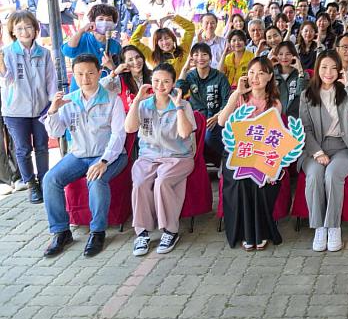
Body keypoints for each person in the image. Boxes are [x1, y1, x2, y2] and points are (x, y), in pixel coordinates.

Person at [41, 54, 129, 257]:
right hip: (79, 155)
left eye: (90, 73)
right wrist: (53, 111)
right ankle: (61, 231)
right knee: (50, 179)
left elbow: (118, 135)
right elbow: (55, 133)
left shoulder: (111, 100)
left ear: (100, 73)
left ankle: (97, 231)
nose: (85, 78)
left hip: (110, 155)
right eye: (79, 74)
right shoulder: (68, 101)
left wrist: (104, 162)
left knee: (96, 180)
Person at [298, 50, 348, 252]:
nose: (329, 72)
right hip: (314, 149)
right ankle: (319, 227)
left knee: (333, 174)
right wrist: (317, 153)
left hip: (343, 148)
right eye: (324, 67)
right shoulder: (307, 95)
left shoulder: (345, 92)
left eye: (334, 68)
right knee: (314, 175)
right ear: (317, 68)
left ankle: (333, 226)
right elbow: (305, 128)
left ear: (340, 70)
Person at [126, 63, 197, 256]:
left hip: (178, 157)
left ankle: (170, 230)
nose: (160, 85)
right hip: (148, 157)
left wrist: (179, 107)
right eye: (156, 81)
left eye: (166, 81)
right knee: (140, 183)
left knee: (162, 182)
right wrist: (137, 100)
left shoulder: (183, 104)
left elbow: (184, 132)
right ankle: (141, 232)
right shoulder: (144, 105)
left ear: (173, 83)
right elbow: (130, 128)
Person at [217, 56, 284, 250]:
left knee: (258, 182)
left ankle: (260, 232)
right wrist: (237, 93)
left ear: (270, 76)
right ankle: (246, 233)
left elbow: (274, 137)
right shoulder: (239, 98)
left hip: (261, 154)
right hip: (236, 153)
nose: (255, 77)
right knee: (241, 181)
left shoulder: (274, 104)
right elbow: (222, 121)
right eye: (252, 72)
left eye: (261, 73)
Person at [0, 11, 58, 203]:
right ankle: (31, 185)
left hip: (41, 109)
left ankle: (44, 181)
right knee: (23, 149)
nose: (24, 31)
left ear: (35, 29)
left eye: (28, 26)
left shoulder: (44, 53)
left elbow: (51, 80)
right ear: (13, 32)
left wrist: (52, 102)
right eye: (19, 28)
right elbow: (7, 80)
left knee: (42, 146)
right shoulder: (7, 53)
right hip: (15, 111)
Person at [176, 43, 231, 168]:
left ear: (210, 57)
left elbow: (227, 100)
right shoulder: (190, 76)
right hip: (196, 118)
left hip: (216, 118)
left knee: (209, 137)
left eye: (204, 54)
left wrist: (218, 115)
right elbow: (178, 92)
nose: (200, 58)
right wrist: (184, 69)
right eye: (196, 54)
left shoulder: (219, 77)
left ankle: (225, 161)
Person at [130, 14, 196, 71]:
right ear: (156, 43)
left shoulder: (183, 50)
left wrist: (171, 17)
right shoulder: (153, 57)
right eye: (160, 40)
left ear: (173, 39)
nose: (164, 42)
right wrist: (146, 23)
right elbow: (133, 41)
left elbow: (190, 28)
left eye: (167, 38)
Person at [100, 45, 153, 112]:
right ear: (123, 64)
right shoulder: (119, 81)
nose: (136, 62)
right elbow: (99, 89)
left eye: (138, 57)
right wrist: (115, 73)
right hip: (128, 121)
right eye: (130, 60)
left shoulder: (153, 76)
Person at [273, 41, 308, 118]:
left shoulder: (303, 74)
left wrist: (300, 72)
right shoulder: (272, 75)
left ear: (294, 55)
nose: (284, 57)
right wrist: (269, 69)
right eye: (280, 54)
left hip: (295, 119)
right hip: (276, 118)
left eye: (288, 54)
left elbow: (301, 94)